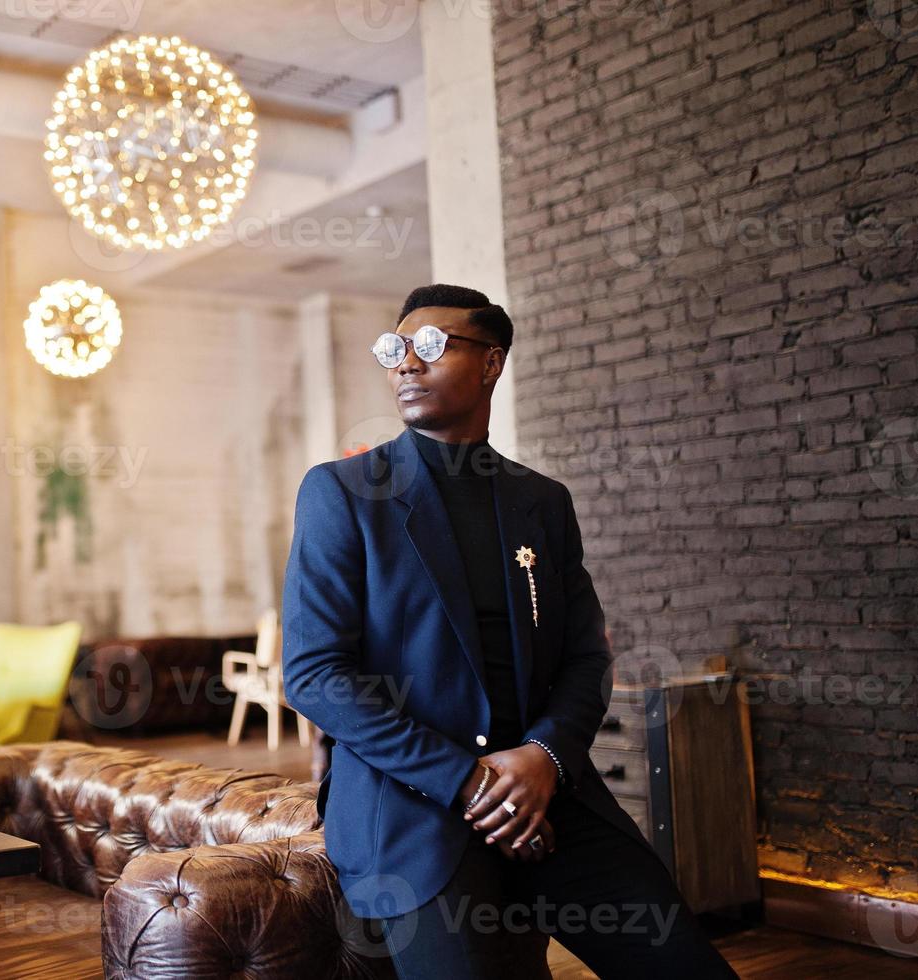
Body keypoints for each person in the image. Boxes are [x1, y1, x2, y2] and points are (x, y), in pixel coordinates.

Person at [281, 284, 736, 978]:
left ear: (490, 363)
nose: (406, 363)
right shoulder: (343, 493)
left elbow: (587, 657)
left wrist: (544, 758)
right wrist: (466, 781)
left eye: (430, 346)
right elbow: (314, 674)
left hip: (549, 797)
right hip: (413, 811)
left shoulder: (541, 502)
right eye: (395, 349)